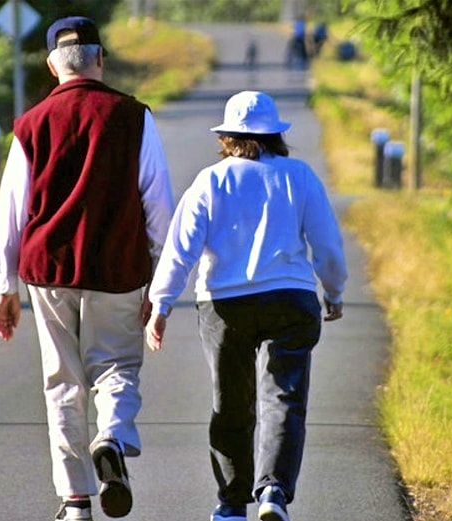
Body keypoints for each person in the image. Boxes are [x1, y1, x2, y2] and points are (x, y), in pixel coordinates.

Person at [0, 15, 174, 521]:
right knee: (116, 367)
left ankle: (75, 501)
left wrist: (5, 285)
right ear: (100, 60)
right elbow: (158, 204)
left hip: (48, 270)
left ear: (53, 66)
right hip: (118, 268)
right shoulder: (133, 117)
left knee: (62, 381)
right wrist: (161, 281)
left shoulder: (31, 124)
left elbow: (11, 210)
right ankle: (111, 435)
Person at [144, 91, 347, 521]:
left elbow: (181, 249)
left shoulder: (210, 181)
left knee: (231, 404)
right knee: (283, 397)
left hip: (224, 305)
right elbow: (327, 243)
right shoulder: (298, 176)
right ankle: (273, 492)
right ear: (276, 135)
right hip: (290, 299)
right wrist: (334, 290)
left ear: (226, 137)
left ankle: (232, 503)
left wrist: (161, 303)